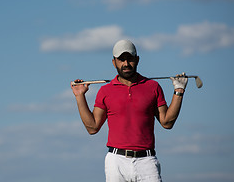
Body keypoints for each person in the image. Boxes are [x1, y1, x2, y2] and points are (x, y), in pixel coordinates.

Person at [70, 39, 188, 182]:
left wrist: (179, 91)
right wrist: (79, 96)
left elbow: (167, 122)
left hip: (147, 161)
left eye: (130, 59)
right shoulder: (105, 91)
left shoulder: (153, 87)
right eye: (121, 59)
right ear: (114, 62)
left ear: (137, 60)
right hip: (116, 161)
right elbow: (92, 127)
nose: (126, 64)